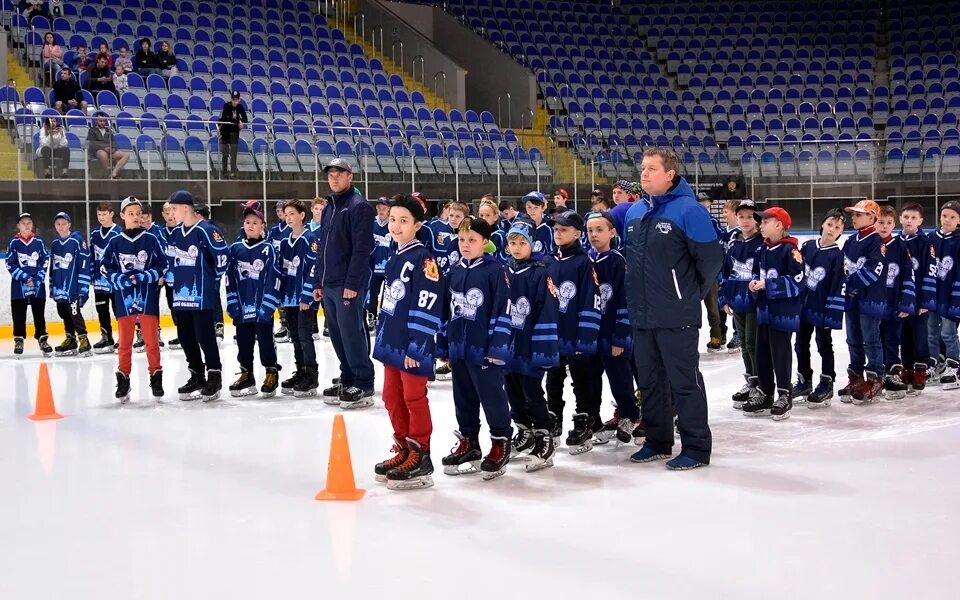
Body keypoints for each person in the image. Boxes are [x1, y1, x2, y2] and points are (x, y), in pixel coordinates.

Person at [623, 148, 722, 470]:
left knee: (684, 382)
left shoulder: (689, 210)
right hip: (642, 314)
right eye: (642, 168)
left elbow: (710, 260)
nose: (644, 173)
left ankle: (695, 447)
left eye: (652, 168)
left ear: (670, 174)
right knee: (650, 382)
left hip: (676, 313)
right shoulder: (634, 212)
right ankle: (657, 441)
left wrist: (687, 294)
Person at [372, 195, 444, 490]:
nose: (396, 226)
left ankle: (421, 453)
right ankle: (403, 448)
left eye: (404, 221)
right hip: (393, 341)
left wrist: (418, 344)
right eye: (393, 220)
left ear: (417, 225)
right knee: (391, 396)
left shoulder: (423, 258)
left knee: (414, 396)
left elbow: (429, 303)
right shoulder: (395, 255)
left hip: (413, 344)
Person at [438, 218, 513, 480]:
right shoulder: (454, 272)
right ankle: (469, 441)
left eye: (472, 240)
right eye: (461, 240)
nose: (465, 245)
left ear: (485, 242)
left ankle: (501, 441)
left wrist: (497, 347)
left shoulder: (496, 271)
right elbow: (446, 312)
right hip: (460, 348)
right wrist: (443, 344)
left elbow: (503, 311)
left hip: (485, 350)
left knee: (491, 396)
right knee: (464, 397)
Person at [312, 158, 377, 408]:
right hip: (329, 283)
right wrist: (318, 281)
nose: (334, 178)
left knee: (352, 334)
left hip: (346, 284)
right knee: (337, 335)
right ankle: (348, 376)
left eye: (339, 173)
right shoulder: (329, 208)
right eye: (330, 174)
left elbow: (362, 250)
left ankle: (363, 382)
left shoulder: (359, 207)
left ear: (350, 176)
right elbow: (323, 249)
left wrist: (353, 283)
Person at [501, 218, 560, 470]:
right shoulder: (503, 271)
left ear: (532, 245)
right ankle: (523, 430)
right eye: (512, 242)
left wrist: (542, 347)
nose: (516, 247)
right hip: (508, 345)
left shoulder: (540, 273)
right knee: (511, 389)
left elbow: (547, 310)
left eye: (521, 242)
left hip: (529, 345)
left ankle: (543, 436)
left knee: (532, 392)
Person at [543, 210, 602, 453]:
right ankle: (553, 417)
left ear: (578, 234)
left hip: (575, 333)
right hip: (552, 333)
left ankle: (584, 419)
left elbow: (591, 299)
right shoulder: (547, 261)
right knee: (553, 379)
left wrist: (586, 335)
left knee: (581, 379)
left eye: (564, 229)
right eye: (556, 229)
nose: (558, 233)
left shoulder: (583, 262)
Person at [100, 197, 167, 403]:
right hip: (123, 299)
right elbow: (104, 267)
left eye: (138, 213)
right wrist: (119, 279)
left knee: (151, 341)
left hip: (147, 298)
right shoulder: (114, 242)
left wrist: (145, 276)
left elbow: (162, 266)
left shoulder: (151, 239)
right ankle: (123, 378)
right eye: (131, 213)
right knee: (125, 342)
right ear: (122, 216)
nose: (136, 217)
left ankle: (156, 376)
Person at [165, 190, 229, 402]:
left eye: (173, 208)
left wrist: (212, 282)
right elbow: (171, 261)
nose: (171, 213)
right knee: (186, 337)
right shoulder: (175, 233)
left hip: (201, 295)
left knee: (205, 337)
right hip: (181, 296)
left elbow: (222, 258)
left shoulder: (206, 231)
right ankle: (196, 374)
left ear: (185, 207)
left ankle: (214, 374)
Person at [741, 207, 804, 420]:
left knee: (780, 352)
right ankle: (766, 392)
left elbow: (798, 281)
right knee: (762, 353)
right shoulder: (762, 250)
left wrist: (767, 284)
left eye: (765, 221)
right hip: (764, 312)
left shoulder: (791, 252)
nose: (760, 225)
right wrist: (752, 284)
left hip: (782, 314)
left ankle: (784, 393)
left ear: (779, 224)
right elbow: (755, 274)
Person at [588, 211, 644, 445]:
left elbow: (625, 300)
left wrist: (621, 337)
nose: (593, 235)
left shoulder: (617, 261)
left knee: (620, 378)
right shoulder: (587, 260)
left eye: (599, 230)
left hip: (614, 334)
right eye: (590, 231)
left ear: (612, 233)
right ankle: (621, 411)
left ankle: (633, 415)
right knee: (599, 380)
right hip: (593, 334)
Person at [791, 208, 845, 408]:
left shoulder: (837, 255)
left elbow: (838, 284)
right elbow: (798, 274)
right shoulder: (807, 246)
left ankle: (826, 383)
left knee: (824, 345)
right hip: (803, 307)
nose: (832, 229)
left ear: (840, 233)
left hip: (822, 309)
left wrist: (832, 313)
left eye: (837, 227)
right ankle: (804, 380)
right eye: (830, 224)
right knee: (800, 344)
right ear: (822, 224)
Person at [226, 204, 282, 398]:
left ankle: (271, 372)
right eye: (248, 222)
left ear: (262, 226)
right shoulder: (235, 249)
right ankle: (246, 374)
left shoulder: (268, 249)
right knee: (244, 342)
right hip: (242, 307)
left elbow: (274, 278)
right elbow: (229, 279)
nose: (250, 225)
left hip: (261, 308)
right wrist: (232, 302)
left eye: (255, 222)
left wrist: (267, 305)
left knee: (266, 341)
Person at [840, 199, 887, 404]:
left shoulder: (876, 241)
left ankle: (876, 378)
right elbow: (842, 266)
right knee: (853, 339)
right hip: (852, 301)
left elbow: (874, 270)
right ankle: (856, 377)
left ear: (872, 218)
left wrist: (850, 285)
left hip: (870, 300)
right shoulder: (851, 240)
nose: (854, 217)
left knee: (871, 339)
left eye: (859, 214)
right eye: (854, 214)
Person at [721, 200, 764, 409]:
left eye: (750, 216)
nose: (746, 220)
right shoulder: (734, 243)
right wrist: (724, 298)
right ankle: (751, 380)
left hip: (754, 303)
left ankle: (760, 383)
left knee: (752, 342)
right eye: (742, 216)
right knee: (745, 344)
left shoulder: (761, 243)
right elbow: (726, 273)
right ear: (736, 218)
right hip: (737, 301)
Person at [276, 200, 320, 397]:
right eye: (286, 215)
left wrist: (306, 295)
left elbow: (314, 269)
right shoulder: (285, 242)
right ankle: (300, 370)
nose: (288, 218)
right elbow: (282, 271)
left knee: (304, 335)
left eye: (292, 214)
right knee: (294, 336)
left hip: (304, 299)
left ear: (302, 215)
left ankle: (311, 374)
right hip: (289, 298)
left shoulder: (310, 239)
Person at [874, 205, 917, 400]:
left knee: (892, 338)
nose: (884, 226)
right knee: (873, 340)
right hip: (872, 305)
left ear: (894, 224)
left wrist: (906, 301)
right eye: (880, 222)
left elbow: (909, 274)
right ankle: (876, 374)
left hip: (892, 304)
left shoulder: (900, 247)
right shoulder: (870, 245)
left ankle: (892, 373)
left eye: (889, 223)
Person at [920, 200, 960, 389]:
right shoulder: (930, 238)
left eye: (953, 217)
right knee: (931, 332)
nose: (947, 220)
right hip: (932, 296)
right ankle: (934, 363)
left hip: (950, 296)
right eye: (945, 216)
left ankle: (954, 366)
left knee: (948, 333)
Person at [898, 203, 933, 395]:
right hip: (903, 301)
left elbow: (930, 270)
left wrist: (925, 301)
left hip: (919, 300)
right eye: (906, 216)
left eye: (913, 217)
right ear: (901, 219)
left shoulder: (924, 242)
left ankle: (920, 369)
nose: (909, 220)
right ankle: (907, 369)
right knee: (904, 336)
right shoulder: (896, 242)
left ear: (920, 221)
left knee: (920, 336)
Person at [7, 212, 52, 357]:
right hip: (19, 286)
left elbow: (45, 260)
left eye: (29, 223)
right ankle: (19, 339)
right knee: (18, 313)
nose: (26, 226)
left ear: (32, 225)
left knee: (39, 313)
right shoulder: (14, 243)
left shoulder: (38, 242)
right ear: (18, 226)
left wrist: (38, 278)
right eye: (23, 223)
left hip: (37, 286)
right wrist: (25, 277)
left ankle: (42, 338)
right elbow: (10, 263)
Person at [49, 211, 92, 357]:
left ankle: (84, 339)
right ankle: (70, 339)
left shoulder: (77, 240)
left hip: (73, 288)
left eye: (63, 224)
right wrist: (52, 287)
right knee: (64, 313)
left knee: (74, 313)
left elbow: (84, 264)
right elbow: (52, 267)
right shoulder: (55, 244)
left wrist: (83, 288)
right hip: (59, 288)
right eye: (58, 224)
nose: (61, 227)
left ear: (69, 224)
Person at [89, 201, 120, 352]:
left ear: (111, 214)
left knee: (118, 309)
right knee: (102, 309)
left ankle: (123, 337)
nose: (101, 217)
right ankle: (106, 337)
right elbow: (91, 256)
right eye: (99, 214)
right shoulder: (94, 234)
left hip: (114, 281)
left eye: (104, 214)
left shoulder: (119, 232)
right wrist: (91, 275)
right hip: (99, 280)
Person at [698, 192, 727, 352]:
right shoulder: (690, 221)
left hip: (710, 273)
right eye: (700, 202)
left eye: (706, 202)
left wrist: (718, 268)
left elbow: (720, 246)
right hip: (694, 273)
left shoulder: (713, 222)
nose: (703, 205)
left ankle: (716, 336)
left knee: (713, 307)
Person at [367, 197, 393, 332]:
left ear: (388, 209)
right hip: (373, 266)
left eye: (383, 208)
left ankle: (383, 318)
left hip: (388, 267)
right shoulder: (371, 223)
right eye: (378, 208)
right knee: (372, 293)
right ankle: (371, 316)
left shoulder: (392, 225)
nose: (381, 210)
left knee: (386, 295)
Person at [161, 201, 181, 349]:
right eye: (166, 213)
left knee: (184, 307)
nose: (170, 216)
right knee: (172, 306)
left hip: (182, 279)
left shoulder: (183, 231)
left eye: (172, 212)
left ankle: (187, 333)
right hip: (168, 279)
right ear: (163, 215)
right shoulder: (160, 233)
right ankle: (181, 333)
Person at [87, 112, 130, 179]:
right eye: (100, 121)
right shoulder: (92, 130)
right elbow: (93, 143)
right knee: (103, 154)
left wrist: (113, 148)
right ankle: (108, 172)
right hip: (98, 151)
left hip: (109, 150)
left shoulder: (108, 130)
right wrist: (105, 148)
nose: (102, 123)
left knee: (126, 155)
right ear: (96, 121)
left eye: (104, 121)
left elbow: (113, 142)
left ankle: (114, 173)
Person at [218, 91, 248, 178]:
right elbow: (226, 118)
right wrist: (238, 121)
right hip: (225, 132)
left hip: (235, 133)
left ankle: (233, 172)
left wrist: (241, 121)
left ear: (239, 100)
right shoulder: (226, 106)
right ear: (231, 99)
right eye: (233, 99)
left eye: (237, 99)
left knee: (234, 153)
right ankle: (224, 172)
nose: (235, 101)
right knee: (225, 153)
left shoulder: (240, 107)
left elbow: (245, 118)